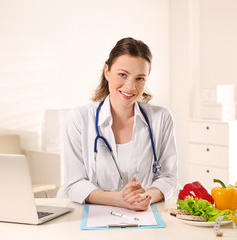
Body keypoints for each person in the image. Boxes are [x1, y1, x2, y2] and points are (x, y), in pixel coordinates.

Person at [63, 37, 177, 211]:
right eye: (122, 74)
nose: (130, 87)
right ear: (107, 71)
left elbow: (168, 178)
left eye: (140, 78)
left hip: (144, 215)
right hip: (93, 216)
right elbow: (74, 184)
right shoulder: (79, 118)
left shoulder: (161, 118)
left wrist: (144, 197)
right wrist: (119, 200)